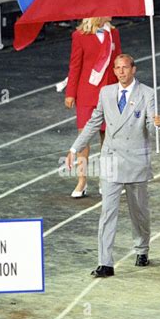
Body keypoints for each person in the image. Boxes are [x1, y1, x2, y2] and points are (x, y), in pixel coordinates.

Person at [66, 53, 160, 277]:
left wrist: (157, 124)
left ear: (133, 69)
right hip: (111, 159)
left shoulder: (147, 94)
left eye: (124, 67)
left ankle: (142, 248)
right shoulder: (106, 92)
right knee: (107, 213)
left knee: (138, 212)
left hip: (136, 161)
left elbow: (150, 123)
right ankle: (105, 263)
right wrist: (74, 148)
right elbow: (93, 122)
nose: (120, 72)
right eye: (117, 68)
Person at [64, 17, 122, 198]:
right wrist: (70, 93)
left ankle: (106, 180)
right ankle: (82, 181)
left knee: (108, 138)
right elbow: (75, 66)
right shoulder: (79, 36)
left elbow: (119, 64)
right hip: (87, 93)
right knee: (84, 138)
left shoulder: (113, 33)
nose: (111, 13)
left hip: (109, 93)